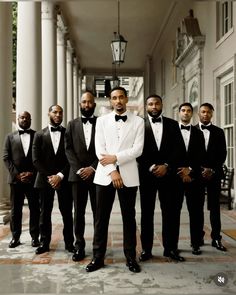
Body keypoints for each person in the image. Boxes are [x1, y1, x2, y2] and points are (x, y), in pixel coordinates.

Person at [86, 86, 144, 273]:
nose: (118, 101)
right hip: (105, 176)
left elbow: (138, 149)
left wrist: (116, 158)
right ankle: (97, 258)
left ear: (126, 99)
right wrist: (112, 170)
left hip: (129, 175)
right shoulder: (101, 121)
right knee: (101, 219)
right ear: (110, 101)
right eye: (114, 98)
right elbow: (99, 149)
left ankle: (130, 258)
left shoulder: (138, 121)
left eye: (121, 97)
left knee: (129, 218)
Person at [138, 94, 185, 262]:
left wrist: (167, 166)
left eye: (157, 103)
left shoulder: (173, 125)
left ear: (162, 105)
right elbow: (136, 150)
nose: (154, 106)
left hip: (169, 176)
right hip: (147, 176)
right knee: (146, 214)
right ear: (146, 106)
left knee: (170, 213)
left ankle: (170, 249)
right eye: (151, 104)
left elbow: (179, 149)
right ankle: (146, 250)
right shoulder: (139, 125)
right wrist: (151, 166)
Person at [32, 105, 74, 254]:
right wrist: (51, 177)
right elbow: (36, 160)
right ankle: (44, 243)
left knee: (67, 213)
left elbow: (71, 158)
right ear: (48, 113)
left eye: (60, 112)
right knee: (44, 213)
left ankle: (70, 243)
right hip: (44, 179)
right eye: (55, 112)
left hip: (64, 179)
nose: (58, 115)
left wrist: (59, 176)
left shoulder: (68, 133)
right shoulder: (39, 135)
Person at [65, 91, 98, 262]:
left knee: (98, 213)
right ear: (80, 104)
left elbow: (105, 147)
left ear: (94, 104)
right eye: (84, 102)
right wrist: (79, 169)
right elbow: (68, 149)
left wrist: (92, 168)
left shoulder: (101, 123)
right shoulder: (71, 125)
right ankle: (79, 247)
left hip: (98, 175)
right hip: (77, 177)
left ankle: (98, 248)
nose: (86, 105)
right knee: (78, 213)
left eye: (89, 102)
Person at [3, 111, 40, 248]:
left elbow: (40, 158)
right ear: (18, 119)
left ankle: (35, 237)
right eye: (22, 117)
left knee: (35, 209)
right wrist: (17, 175)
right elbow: (6, 158)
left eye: (27, 118)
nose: (24, 119)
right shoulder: (9, 137)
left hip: (33, 180)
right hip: (16, 181)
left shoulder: (37, 135)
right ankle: (15, 237)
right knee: (15, 210)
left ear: (31, 120)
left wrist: (32, 173)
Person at [175, 103, 205, 255]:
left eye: (188, 111)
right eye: (183, 110)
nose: (186, 113)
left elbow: (201, 156)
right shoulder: (171, 131)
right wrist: (181, 172)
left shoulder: (199, 133)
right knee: (174, 212)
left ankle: (196, 243)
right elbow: (169, 154)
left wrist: (190, 170)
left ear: (192, 114)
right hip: (175, 179)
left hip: (195, 179)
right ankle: (173, 245)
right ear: (179, 112)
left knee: (196, 212)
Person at [196, 103, 227, 251]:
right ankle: (198, 237)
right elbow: (190, 154)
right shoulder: (193, 130)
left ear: (212, 114)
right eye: (203, 112)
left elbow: (223, 154)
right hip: (197, 175)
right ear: (198, 113)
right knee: (197, 208)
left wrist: (212, 170)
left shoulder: (219, 132)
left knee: (215, 208)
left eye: (208, 112)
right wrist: (202, 169)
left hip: (214, 175)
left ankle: (216, 238)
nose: (205, 114)